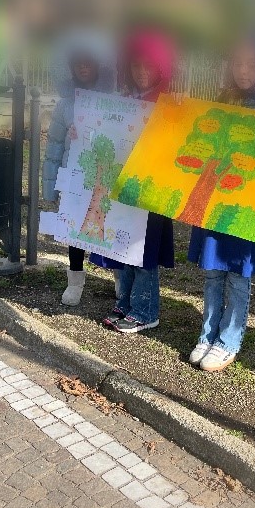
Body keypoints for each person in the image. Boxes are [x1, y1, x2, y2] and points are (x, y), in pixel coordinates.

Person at [187, 35, 255, 372]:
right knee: (213, 273)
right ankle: (207, 334)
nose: (244, 71)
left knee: (238, 276)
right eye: (238, 63)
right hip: (213, 205)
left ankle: (229, 339)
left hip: (245, 211)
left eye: (252, 64)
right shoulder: (219, 103)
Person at [97, 29, 176, 333]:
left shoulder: (169, 103)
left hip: (151, 191)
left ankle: (146, 310)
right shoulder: (125, 99)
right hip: (125, 189)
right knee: (123, 245)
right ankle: (127, 302)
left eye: (148, 66)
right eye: (136, 66)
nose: (142, 72)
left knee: (144, 251)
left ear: (160, 69)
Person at [42, 32, 116, 306]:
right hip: (74, 178)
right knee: (75, 230)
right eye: (78, 63)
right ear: (71, 67)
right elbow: (54, 146)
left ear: (98, 66)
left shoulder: (114, 102)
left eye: (88, 62)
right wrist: (51, 187)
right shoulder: (65, 105)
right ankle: (75, 281)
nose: (83, 67)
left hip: (104, 178)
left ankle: (119, 277)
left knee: (109, 225)